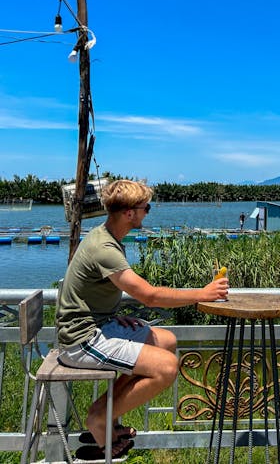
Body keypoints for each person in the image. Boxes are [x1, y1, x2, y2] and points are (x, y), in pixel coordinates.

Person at [55, 179, 228, 460]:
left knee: (166, 340)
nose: (148, 212)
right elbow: (149, 296)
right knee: (166, 368)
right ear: (129, 213)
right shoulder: (105, 249)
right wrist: (203, 294)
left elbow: (92, 294)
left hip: (97, 325)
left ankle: (107, 413)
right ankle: (99, 418)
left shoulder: (107, 238)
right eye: (145, 207)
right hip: (81, 340)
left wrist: (112, 316)